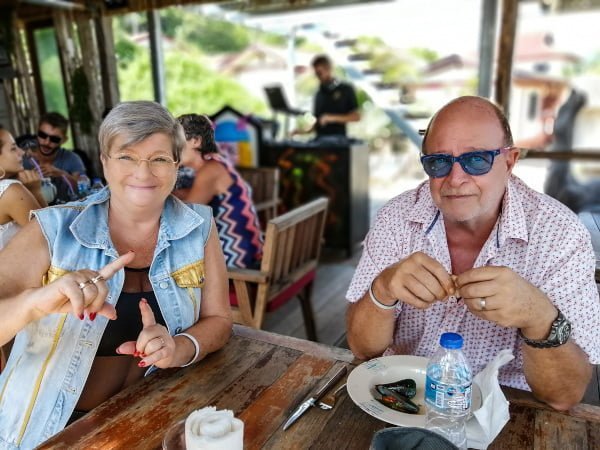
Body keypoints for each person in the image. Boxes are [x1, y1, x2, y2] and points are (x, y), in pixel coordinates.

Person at [0, 101, 232, 449]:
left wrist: (179, 346)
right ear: (105, 162)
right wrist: (36, 302)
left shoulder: (199, 226)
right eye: (126, 156)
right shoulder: (52, 230)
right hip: (50, 429)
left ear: (176, 164)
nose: (143, 172)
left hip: (149, 418)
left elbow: (219, 319)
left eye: (158, 158)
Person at [346, 96, 600, 411]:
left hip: (511, 408)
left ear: (510, 161)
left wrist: (538, 316)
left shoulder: (560, 235)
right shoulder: (397, 218)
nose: (455, 179)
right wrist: (382, 289)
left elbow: (564, 395)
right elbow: (362, 348)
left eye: (476, 159)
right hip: (405, 399)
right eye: (439, 162)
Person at [174, 113, 263, 269]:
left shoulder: (210, 171)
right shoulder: (215, 162)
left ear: (195, 141)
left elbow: (188, 213)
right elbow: (194, 194)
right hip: (249, 249)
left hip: (236, 260)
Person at [0, 126, 47, 250]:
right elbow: (51, 238)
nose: (21, 152)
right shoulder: (10, 191)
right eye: (13, 148)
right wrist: (36, 191)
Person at [24, 112, 86, 203]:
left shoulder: (72, 158)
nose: (46, 142)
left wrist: (61, 174)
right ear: (37, 132)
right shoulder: (22, 157)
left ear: (64, 140)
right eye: (42, 135)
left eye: (54, 139)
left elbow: (83, 190)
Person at [303, 54, 361, 138]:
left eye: (320, 73)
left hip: (337, 140)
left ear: (329, 69)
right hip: (319, 140)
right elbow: (319, 122)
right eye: (316, 74)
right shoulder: (318, 93)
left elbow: (356, 117)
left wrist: (331, 118)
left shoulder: (345, 89)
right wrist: (303, 131)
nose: (318, 77)